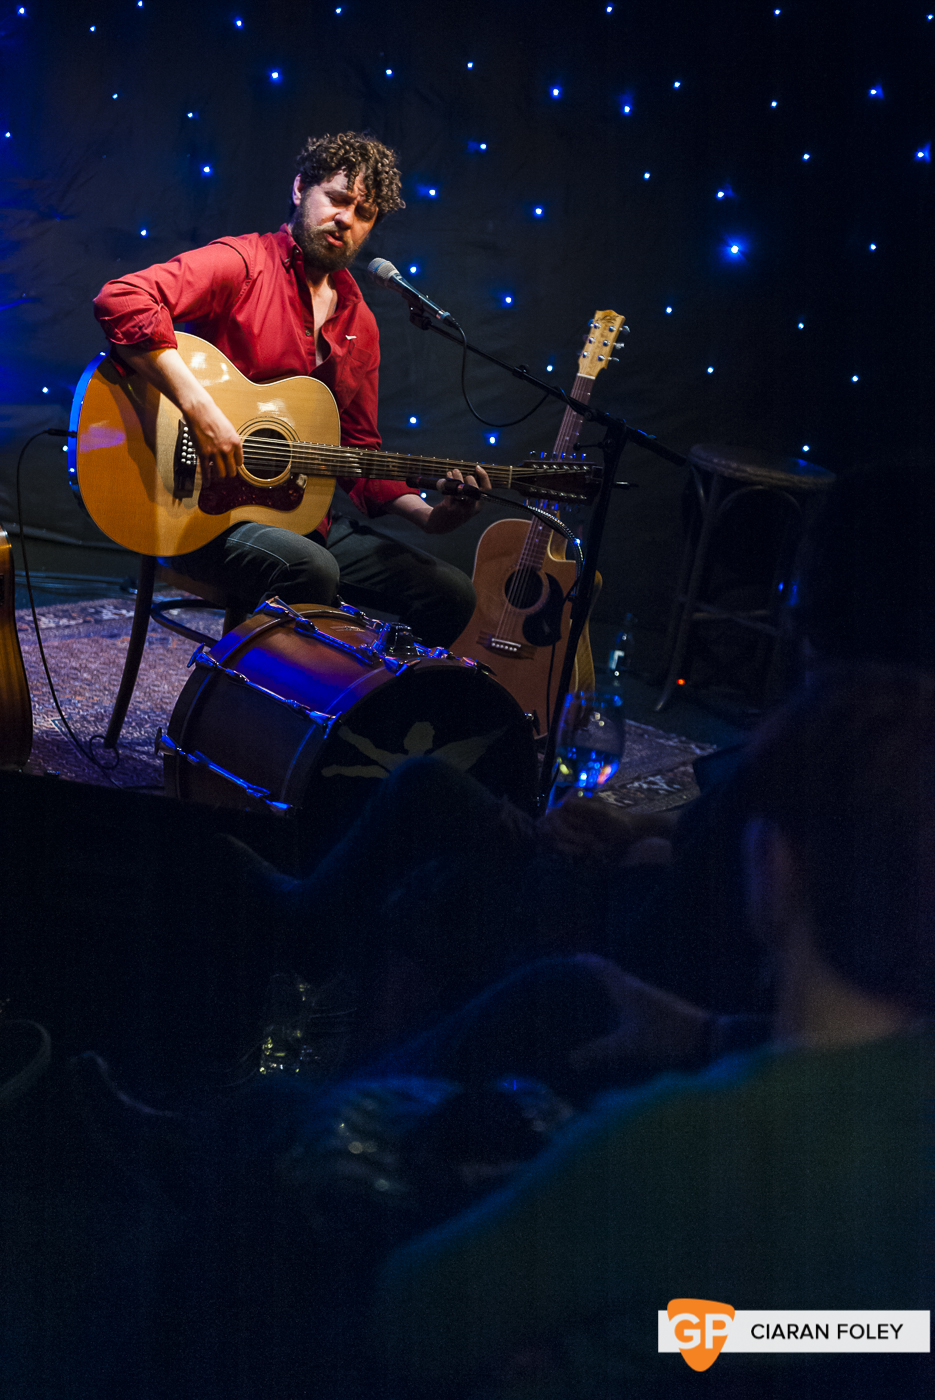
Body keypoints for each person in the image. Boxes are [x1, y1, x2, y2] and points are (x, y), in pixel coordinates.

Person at [372, 666, 935, 1398]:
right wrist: (692, 1335)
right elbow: (888, 1330)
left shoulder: (677, 1143)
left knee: (279, 1134)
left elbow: (408, 1323)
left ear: (775, 865)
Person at [92, 131, 487, 645]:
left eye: (363, 213)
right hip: (195, 510)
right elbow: (122, 298)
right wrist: (201, 410)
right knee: (310, 570)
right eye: (338, 199)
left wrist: (432, 518)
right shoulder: (243, 263)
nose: (346, 219)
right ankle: (234, 714)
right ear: (302, 188)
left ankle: (352, 722)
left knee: (451, 593)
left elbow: (359, 455)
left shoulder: (360, 323)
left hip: (298, 520)